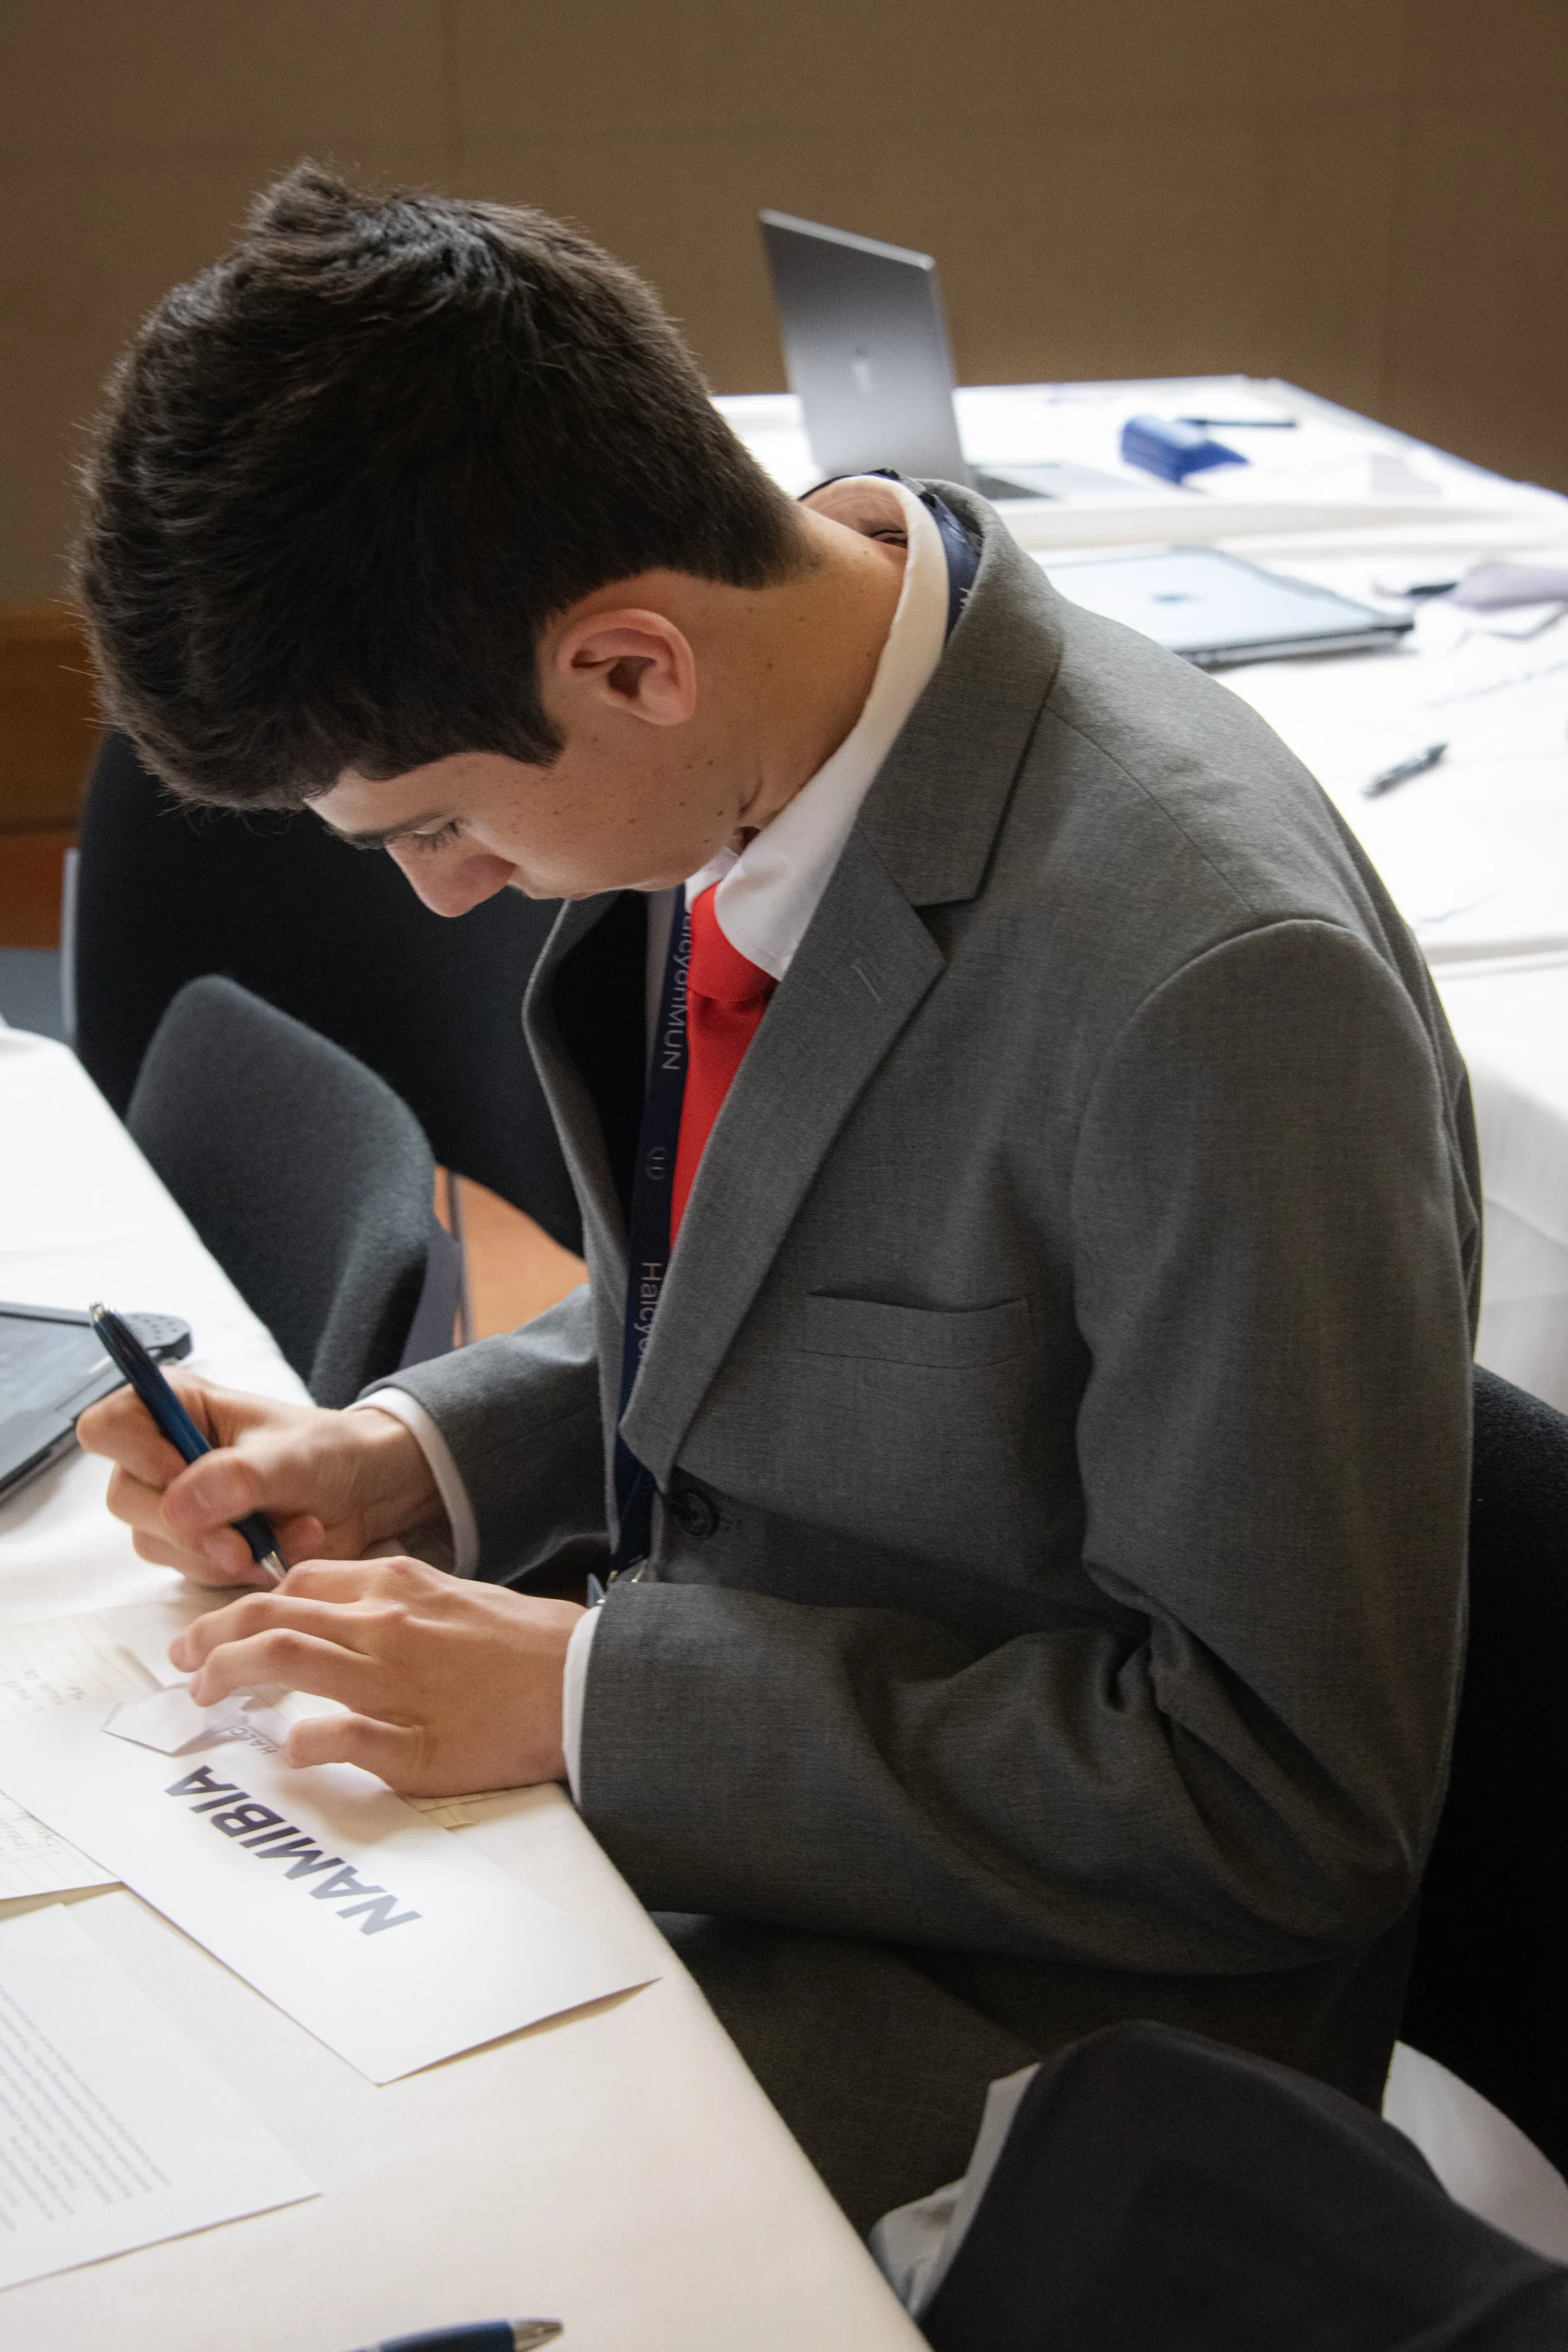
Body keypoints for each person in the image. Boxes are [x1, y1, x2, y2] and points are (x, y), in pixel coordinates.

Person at [76, 164, 1480, 2233]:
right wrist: (411, 1454)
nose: (439, 890)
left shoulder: (1213, 986)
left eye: (442, 819)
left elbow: (1277, 1802)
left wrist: (576, 1694)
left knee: (317, 2223)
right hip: (741, 1822)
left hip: (1043, 2026)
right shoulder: (763, 734)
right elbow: (780, 1291)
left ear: (633, 662)